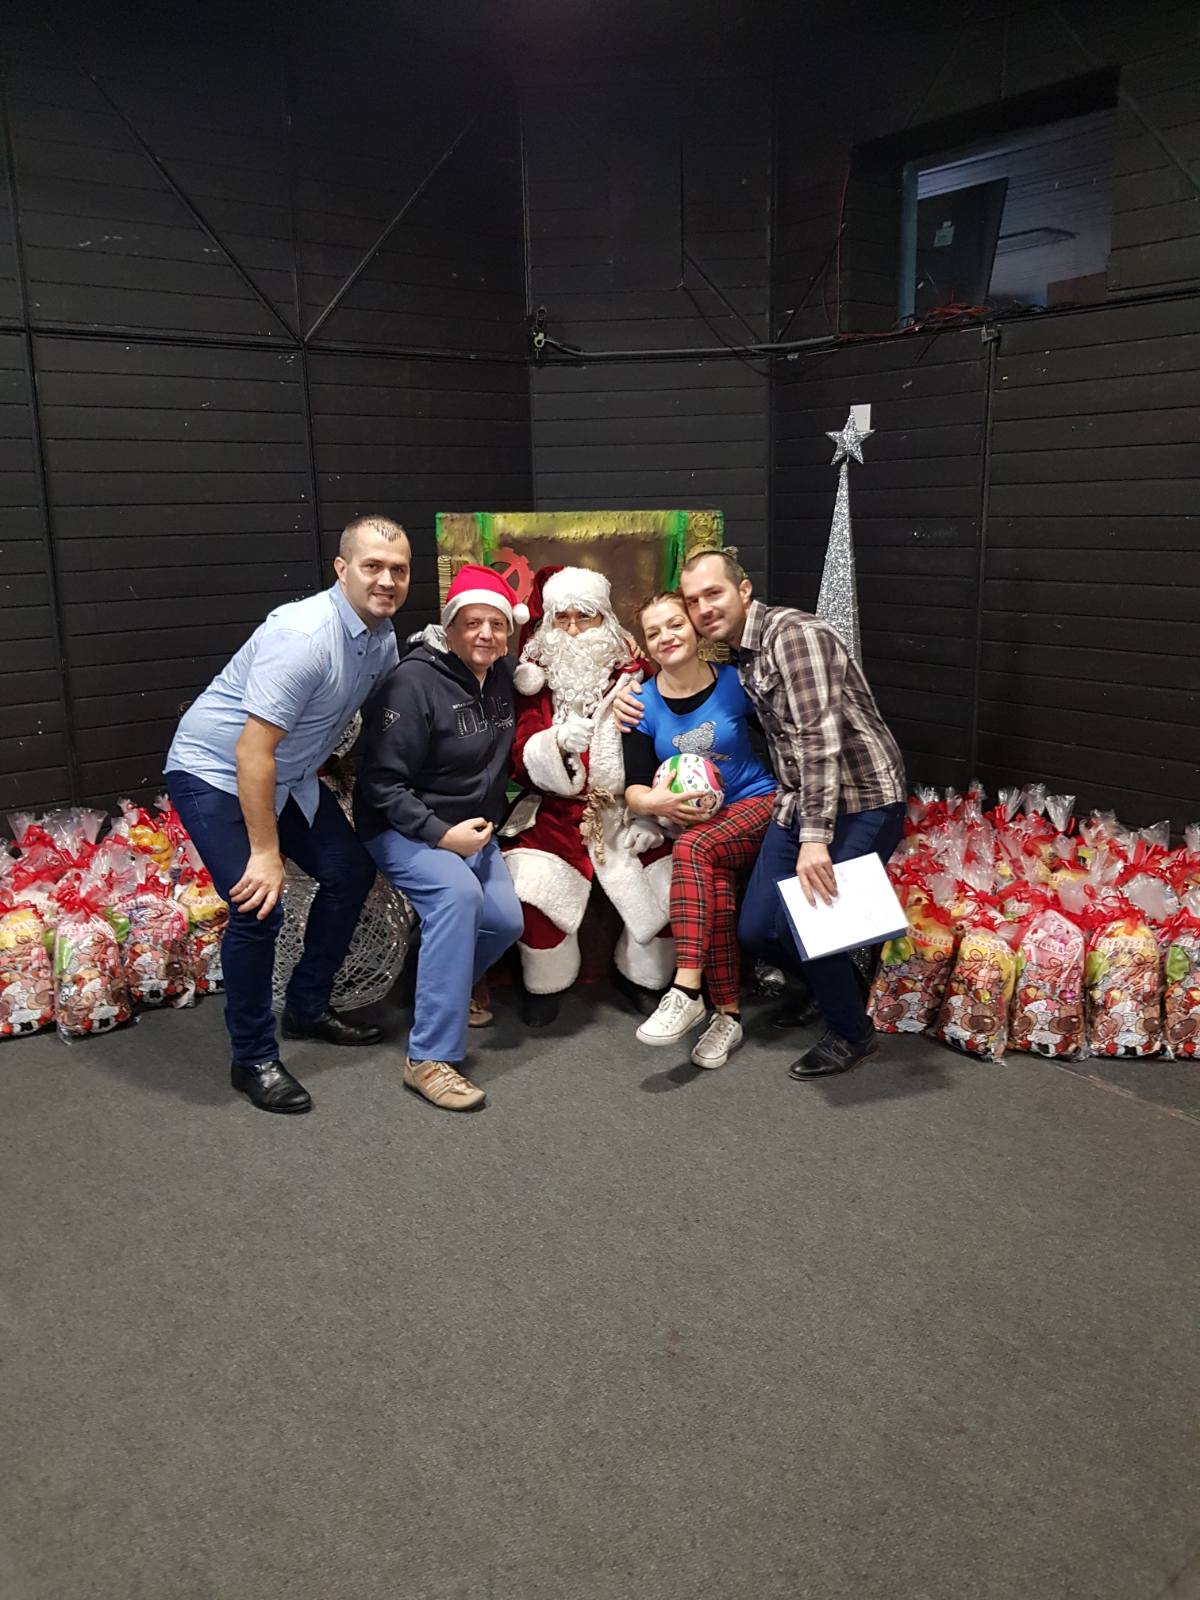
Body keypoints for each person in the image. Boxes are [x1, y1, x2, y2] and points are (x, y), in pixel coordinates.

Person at [165, 515, 410, 1114]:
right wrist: (265, 851)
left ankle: (306, 1006)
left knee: (349, 872)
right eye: (372, 566)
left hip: (289, 773)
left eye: (399, 570)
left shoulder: (381, 637)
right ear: (342, 569)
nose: (386, 580)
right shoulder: (303, 638)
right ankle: (251, 1057)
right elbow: (252, 752)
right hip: (216, 772)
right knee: (258, 905)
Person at [677, 549, 907, 1079]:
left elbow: (819, 741)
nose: (704, 608)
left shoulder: (793, 636)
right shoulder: (741, 653)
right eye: (693, 601)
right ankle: (830, 990)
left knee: (812, 922)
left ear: (744, 590)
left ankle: (853, 1034)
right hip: (802, 797)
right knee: (758, 929)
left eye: (713, 593)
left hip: (863, 798)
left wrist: (814, 839)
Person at [354, 564, 525, 1112]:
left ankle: (442, 988)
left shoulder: (502, 675)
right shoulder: (412, 683)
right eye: (472, 623)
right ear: (449, 628)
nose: (485, 634)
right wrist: (439, 833)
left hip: (470, 830)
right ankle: (428, 1057)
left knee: (505, 920)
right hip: (403, 826)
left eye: (496, 624)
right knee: (458, 896)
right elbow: (380, 783)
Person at [501, 565, 675, 1028]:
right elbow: (518, 754)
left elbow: (661, 744)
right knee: (530, 885)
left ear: (605, 619)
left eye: (586, 617)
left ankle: (643, 977)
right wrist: (554, 744)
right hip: (553, 810)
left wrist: (648, 813)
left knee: (665, 878)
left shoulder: (637, 672)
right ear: (549, 622)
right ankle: (546, 983)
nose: (574, 629)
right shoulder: (531, 678)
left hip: (625, 807)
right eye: (563, 618)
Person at [620, 591, 777, 1069]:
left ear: (693, 627)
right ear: (646, 645)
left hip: (756, 804)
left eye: (675, 624)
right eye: (654, 632)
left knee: (692, 848)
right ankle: (728, 1015)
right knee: (717, 892)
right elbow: (633, 787)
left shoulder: (737, 682)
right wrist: (653, 802)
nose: (666, 637)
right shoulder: (641, 703)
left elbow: (783, 742)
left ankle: (686, 988)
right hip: (704, 823)